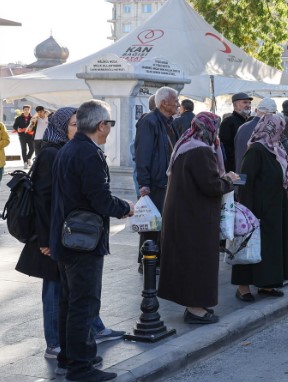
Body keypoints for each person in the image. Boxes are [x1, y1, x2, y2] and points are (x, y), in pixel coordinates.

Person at [15, 108, 123, 361]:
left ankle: (86, 336)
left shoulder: (66, 150)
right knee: (61, 292)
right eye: (74, 124)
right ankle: (57, 344)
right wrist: (45, 240)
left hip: (65, 232)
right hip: (56, 234)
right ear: (63, 126)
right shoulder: (53, 154)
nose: (78, 128)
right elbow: (44, 200)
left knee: (74, 293)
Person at [49, 99, 134, 382]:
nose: (110, 129)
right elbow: (100, 199)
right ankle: (80, 367)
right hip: (81, 241)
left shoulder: (70, 149)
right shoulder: (87, 154)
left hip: (68, 237)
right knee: (83, 303)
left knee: (70, 302)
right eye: (109, 124)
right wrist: (126, 208)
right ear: (101, 125)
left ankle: (69, 358)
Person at [158, 112, 238, 323]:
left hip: (184, 213)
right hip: (195, 216)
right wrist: (228, 180)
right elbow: (211, 185)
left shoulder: (187, 144)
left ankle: (196, 305)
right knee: (197, 261)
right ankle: (195, 309)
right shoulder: (201, 151)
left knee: (189, 260)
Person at [233, 114, 288, 299]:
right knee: (250, 245)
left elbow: (280, 174)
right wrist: (247, 211)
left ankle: (267, 284)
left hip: (276, 206)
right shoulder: (256, 150)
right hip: (258, 208)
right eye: (279, 128)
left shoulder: (276, 149)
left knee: (271, 247)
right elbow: (246, 180)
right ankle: (242, 288)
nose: (281, 132)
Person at [134, 86, 180, 273]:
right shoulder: (149, 121)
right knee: (151, 224)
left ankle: (159, 259)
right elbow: (142, 154)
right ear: (163, 103)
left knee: (162, 223)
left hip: (166, 180)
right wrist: (144, 183)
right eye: (175, 101)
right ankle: (147, 262)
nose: (178, 104)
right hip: (155, 182)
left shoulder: (168, 122)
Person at [234, 98, 278, 173]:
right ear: (272, 113)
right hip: (256, 178)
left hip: (240, 175)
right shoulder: (267, 129)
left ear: (257, 110)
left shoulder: (242, 127)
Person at [219, 92, 253, 172]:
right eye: (245, 102)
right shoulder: (228, 122)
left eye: (249, 103)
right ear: (235, 105)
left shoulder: (248, 121)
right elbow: (226, 147)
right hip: (235, 167)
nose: (248, 105)